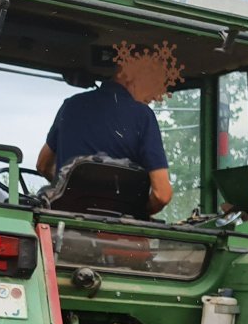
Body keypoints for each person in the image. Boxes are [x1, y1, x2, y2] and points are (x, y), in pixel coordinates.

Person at [37, 58, 172, 216]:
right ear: (127, 74)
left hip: (64, 230)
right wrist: (135, 212)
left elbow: (43, 165)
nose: (157, 94)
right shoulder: (143, 116)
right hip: (120, 236)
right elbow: (162, 194)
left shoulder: (71, 106)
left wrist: (68, 190)